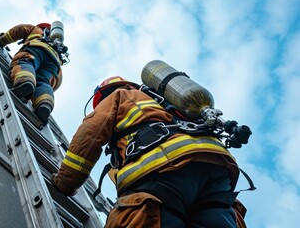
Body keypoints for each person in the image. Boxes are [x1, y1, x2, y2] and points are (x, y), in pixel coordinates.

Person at [52, 76, 249, 227]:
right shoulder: (166, 100)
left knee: (143, 217)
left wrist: (66, 183)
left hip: (163, 172)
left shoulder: (120, 96)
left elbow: (89, 135)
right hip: (216, 168)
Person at [0, 22, 68, 125]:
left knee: (24, 62)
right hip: (54, 62)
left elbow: (19, 30)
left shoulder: (37, 29)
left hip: (36, 48)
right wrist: (48, 87)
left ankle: (25, 82)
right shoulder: (58, 50)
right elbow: (57, 81)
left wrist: (3, 39)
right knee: (43, 81)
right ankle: (45, 103)